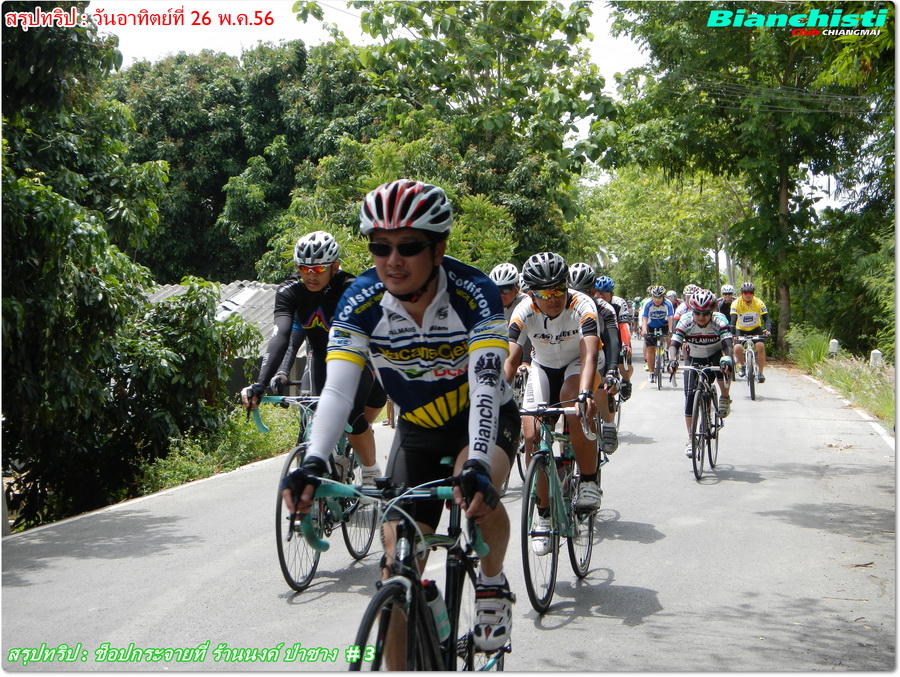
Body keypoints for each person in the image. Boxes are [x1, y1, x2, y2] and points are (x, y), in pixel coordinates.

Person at [281, 180, 518, 652]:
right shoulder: (360, 300)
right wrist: (314, 461)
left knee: (478, 491)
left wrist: (476, 464)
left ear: (438, 249)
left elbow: (487, 384)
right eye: (380, 247)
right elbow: (337, 389)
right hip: (418, 428)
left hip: (480, 415)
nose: (392, 260)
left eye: (408, 247)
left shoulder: (475, 292)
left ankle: (492, 584)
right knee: (396, 571)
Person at [241, 231, 385, 481]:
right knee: (313, 413)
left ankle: (371, 472)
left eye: (318, 269)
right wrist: (260, 383)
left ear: (334, 267)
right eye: (303, 268)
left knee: (351, 416)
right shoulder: (290, 290)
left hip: (359, 359)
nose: (310, 275)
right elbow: (282, 336)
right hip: (321, 359)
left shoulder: (350, 288)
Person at [504, 252, 603, 557]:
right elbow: (511, 358)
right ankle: (544, 516)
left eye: (559, 289)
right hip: (543, 368)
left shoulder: (582, 304)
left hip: (577, 366)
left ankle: (588, 481)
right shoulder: (523, 311)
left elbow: (589, 354)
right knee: (532, 436)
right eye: (545, 294)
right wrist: (495, 397)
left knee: (572, 402)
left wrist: (585, 394)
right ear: (531, 294)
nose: (554, 298)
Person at [667, 289, 734, 458]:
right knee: (690, 398)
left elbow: (727, 344)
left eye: (705, 313)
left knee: (724, 365)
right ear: (692, 311)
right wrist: (672, 360)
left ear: (712, 311)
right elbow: (674, 344)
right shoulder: (686, 320)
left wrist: (728, 359)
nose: (701, 317)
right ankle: (691, 439)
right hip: (694, 357)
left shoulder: (719, 320)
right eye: (697, 313)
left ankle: (725, 397)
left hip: (714, 354)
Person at [568, 263, 620, 453]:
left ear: (592, 292)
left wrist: (612, 369)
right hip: (568, 354)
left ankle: (608, 424)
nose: (578, 297)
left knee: (599, 385)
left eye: (583, 292)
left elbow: (612, 339)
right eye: (573, 292)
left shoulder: (605, 309)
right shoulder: (560, 306)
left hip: (597, 351)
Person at [594, 275, 635, 402]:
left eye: (604, 293)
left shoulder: (619, 303)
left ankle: (626, 381)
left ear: (611, 293)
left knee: (623, 363)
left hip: (618, 335)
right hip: (600, 335)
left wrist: (626, 344)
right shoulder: (592, 301)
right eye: (597, 292)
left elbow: (623, 325)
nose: (600, 296)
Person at [730, 281, 771, 382]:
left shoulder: (759, 303)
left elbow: (766, 319)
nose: (748, 295)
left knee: (760, 346)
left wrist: (768, 330)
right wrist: (733, 334)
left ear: (753, 294)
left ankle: (760, 373)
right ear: (741, 294)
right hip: (741, 329)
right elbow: (733, 321)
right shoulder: (736, 303)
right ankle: (742, 365)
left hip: (755, 328)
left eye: (750, 293)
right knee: (737, 348)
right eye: (745, 293)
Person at [640, 285, 674, 381]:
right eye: (655, 297)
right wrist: (644, 330)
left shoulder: (668, 303)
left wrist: (670, 330)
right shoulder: (648, 303)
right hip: (651, 325)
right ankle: (651, 373)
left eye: (659, 298)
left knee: (670, 335)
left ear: (663, 297)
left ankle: (667, 351)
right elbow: (644, 318)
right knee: (650, 348)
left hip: (664, 324)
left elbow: (670, 317)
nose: (657, 300)